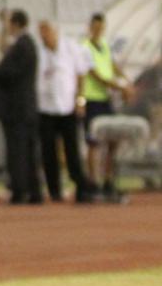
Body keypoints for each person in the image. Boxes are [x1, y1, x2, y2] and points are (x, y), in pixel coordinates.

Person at [0, 10, 40, 204]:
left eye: (9, 24)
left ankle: (20, 191)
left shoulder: (23, 46)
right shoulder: (24, 45)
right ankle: (31, 190)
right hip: (23, 108)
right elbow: (5, 49)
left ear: (16, 24)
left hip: (17, 109)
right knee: (27, 152)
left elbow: (9, 74)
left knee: (18, 151)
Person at [35, 21, 94, 203]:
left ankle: (80, 186)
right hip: (45, 108)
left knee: (72, 150)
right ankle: (54, 190)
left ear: (55, 32)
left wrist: (80, 100)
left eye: (48, 31)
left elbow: (81, 73)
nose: (45, 36)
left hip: (67, 107)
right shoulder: (39, 52)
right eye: (42, 32)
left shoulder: (71, 48)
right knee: (48, 151)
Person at [81, 12, 133, 196]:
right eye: (96, 27)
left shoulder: (104, 45)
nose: (98, 30)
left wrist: (126, 80)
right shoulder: (85, 47)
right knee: (93, 141)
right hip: (92, 98)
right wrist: (119, 86)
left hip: (105, 99)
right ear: (90, 27)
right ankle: (93, 180)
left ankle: (108, 178)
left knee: (113, 139)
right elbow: (94, 74)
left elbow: (112, 65)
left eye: (101, 27)